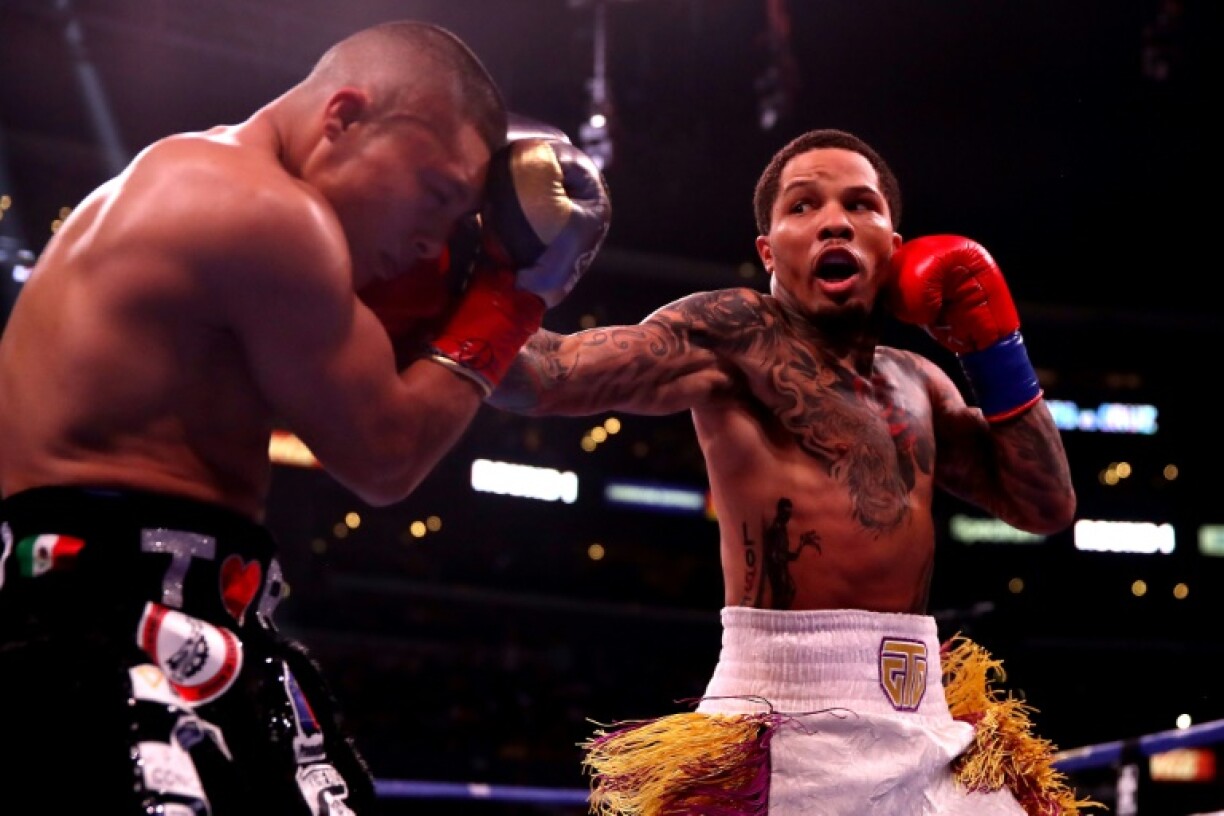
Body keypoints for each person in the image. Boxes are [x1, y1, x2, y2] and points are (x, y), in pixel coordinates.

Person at [0, 19, 610, 815]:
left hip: (134, 606)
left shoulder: (197, 180)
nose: (432, 238)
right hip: (114, 634)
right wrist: (512, 297)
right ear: (344, 117)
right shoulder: (271, 216)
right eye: (437, 196)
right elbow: (386, 454)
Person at [489, 128, 1093, 815]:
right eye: (803, 205)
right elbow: (547, 373)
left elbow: (1044, 504)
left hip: (927, 723)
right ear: (769, 252)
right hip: (785, 727)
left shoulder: (920, 382)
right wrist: (469, 277)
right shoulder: (733, 333)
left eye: (861, 205)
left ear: (894, 250)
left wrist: (994, 348)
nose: (835, 220)